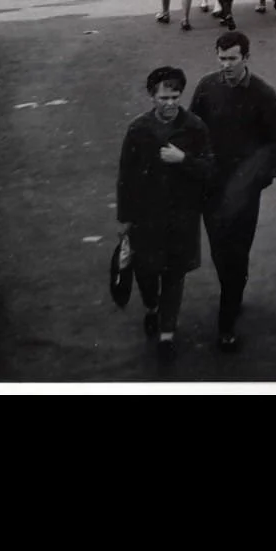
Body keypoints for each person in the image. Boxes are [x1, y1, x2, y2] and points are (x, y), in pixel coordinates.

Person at [189, 30, 276, 352]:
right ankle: (232, 293)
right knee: (220, 251)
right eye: (222, 58)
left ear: (246, 57)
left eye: (232, 58)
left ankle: (226, 321)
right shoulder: (206, 88)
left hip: (244, 191)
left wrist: (262, 178)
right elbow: (192, 129)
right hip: (210, 187)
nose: (226, 65)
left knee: (238, 252)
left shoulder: (263, 95)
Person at [115, 65, 214, 365]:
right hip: (146, 215)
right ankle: (151, 307)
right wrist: (126, 217)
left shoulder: (195, 127)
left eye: (175, 97)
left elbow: (209, 169)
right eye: (164, 98)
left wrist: (183, 159)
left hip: (181, 214)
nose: (170, 103)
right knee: (146, 271)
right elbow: (126, 174)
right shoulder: (138, 129)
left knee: (174, 273)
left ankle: (167, 334)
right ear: (152, 97)